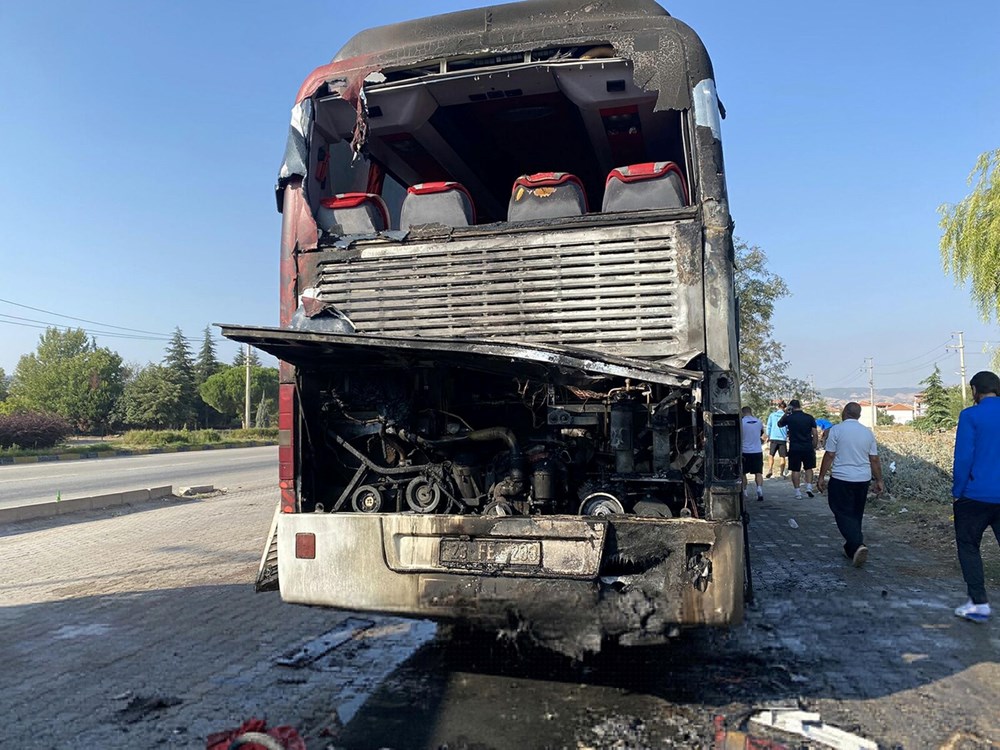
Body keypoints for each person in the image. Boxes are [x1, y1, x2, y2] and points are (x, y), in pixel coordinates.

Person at [951, 370, 1000, 622]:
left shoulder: (970, 415)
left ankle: (979, 603)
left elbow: (964, 458)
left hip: (975, 496)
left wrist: (957, 491)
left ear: (974, 391)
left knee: (969, 547)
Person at [816, 402, 883, 567]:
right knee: (855, 513)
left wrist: (821, 476)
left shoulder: (837, 430)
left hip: (841, 478)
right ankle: (851, 549)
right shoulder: (867, 433)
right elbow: (874, 459)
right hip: (863, 479)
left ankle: (858, 543)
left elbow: (830, 455)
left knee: (840, 511)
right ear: (858, 415)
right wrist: (879, 479)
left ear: (844, 412)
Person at [778, 399, 818, 499]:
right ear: (800, 406)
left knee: (795, 470)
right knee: (809, 468)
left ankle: (798, 492)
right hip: (807, 446)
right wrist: (814, 445)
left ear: (791, 407)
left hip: (795, 447)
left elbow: (779, 424)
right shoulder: (809, 418)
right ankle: (809, 487)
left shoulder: (790, 418)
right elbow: (815, 433)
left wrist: (786, 413)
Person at [740, 406, 765, 502]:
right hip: (757, 451)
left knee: (743, 473)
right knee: (758, 473)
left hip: (745, 451)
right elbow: (761, 433)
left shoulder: (741, 422)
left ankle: (745, 491)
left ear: (742, 413)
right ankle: (759, 489)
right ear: (751, 412)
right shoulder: (758, 421)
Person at [764, 400, 788, 478]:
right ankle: (781, 473)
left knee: (771, 455)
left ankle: (770, 469)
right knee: (782, 456)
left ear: (778, 407)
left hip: (773, 437)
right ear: (785, 407)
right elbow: (788, 428)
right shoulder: (786, 416)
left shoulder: (772, 415)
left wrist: (768, 435)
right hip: (782, 439)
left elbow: (769, 426)